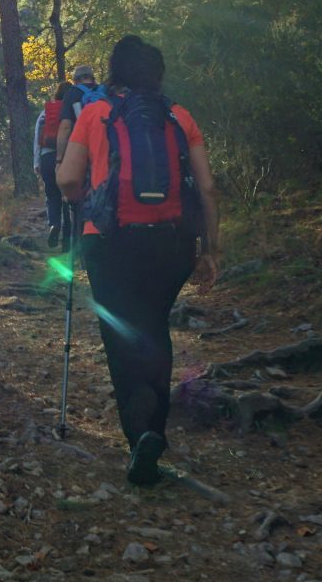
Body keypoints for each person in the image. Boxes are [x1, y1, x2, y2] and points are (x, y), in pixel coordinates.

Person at [57, 36, 220, 485]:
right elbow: (207, 188)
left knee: (120, 332)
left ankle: (141, 433)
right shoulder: (178, 116)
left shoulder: (94, 113)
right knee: (153, 327)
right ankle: (155, 425)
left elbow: (69, 180)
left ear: (115, 73)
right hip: (172, 242)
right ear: (157, 72)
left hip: (110, 240)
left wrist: (80, 194)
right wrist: (210, 248)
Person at [35, 81, 73, 247]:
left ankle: (54, 224)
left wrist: (36, 162)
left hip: (46, 158)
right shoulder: (72, 112)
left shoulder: (45, 113)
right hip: (66, 157)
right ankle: (67, 239)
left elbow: (37, 140)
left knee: (52, 195)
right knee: (68, 197)